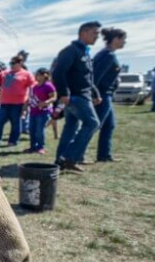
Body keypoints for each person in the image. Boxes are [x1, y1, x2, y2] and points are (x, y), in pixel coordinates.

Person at [53, 21, 102, 172]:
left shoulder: (85, 53)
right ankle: (69, 158)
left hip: (83, 95)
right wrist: (63, 93)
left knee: (71, 128)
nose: (97, 36)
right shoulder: (71, 51)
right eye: (95, 33)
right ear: (84, 33)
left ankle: (60, 161)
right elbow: (58, 72)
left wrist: (96, 93)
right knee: (93, 123)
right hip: (75, 97)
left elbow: (86, 78)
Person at [92, 27, 127, 162]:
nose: (125, 42)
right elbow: (96, 77)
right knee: (93, 126)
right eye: (123, 39)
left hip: (106, 94)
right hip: (102, 95)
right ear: (116, 39)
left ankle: (104, 155)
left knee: (109, 125)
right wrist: (95, 95)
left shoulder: (107, 54)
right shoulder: (108, 55)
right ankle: (73, 155)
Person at [0, 54, 36, 147]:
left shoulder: (27, 74)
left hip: (18, 104)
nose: (11, 65)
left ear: (20, 63)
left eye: (13, 63)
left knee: (16, 124)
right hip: (3, 103)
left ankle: (13, 141)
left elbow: (34, 86)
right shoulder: (5, 73)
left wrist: (30, 100)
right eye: (10, 63)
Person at [27, 68, 56, 154]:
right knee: (31, 129)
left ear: (44, 75)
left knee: (39, 130)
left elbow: (54, 97)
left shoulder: (48, 85)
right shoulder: (35, 86)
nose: (36, 76)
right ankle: (32, 146)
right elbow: (31, 98)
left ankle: (40, 147)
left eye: (38, 74)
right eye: (36, 74)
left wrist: (45, 102)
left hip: (43, 111)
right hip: (33, 111)